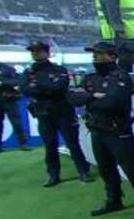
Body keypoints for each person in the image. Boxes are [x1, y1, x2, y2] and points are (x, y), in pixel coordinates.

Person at [68, 42, 134, 219]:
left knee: (131, 167)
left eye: (99, 54)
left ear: (112, 56)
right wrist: (93, 96)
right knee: (105, 168)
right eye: (94, 54)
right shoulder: (90, 78)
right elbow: (72, 98)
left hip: (117, 130)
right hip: (97, 130)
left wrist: (88, 99)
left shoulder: (120, 77)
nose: (95, 57)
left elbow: (113, 103)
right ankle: (114, 199)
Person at [21, 41, 92, 187]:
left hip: (63, 110)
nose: (35, 53)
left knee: (72, 143)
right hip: (43, 113)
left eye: (39, 51)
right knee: (50, 145)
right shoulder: (28, 72)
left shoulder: (59, 69)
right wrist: (47, 87)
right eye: (33, 51)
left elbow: (60, 87)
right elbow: (25, 90)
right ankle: (53, 175)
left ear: (47, 53)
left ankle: (83, 171)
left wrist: (38, 87)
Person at [0, 46, 30, 152]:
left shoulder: (6, 68)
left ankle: (23, 143)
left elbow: (17, 81)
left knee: (16, 122)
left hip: (9, 98)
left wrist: (1, 83)